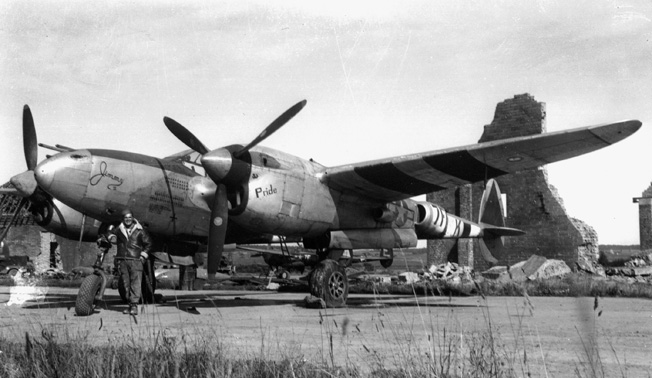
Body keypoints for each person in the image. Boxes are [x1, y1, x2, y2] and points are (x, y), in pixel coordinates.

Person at [103, 209, 152, 315]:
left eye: (130, 217)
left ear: (133, 218)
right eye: (126, 218)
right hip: (123, 260)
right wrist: (110, 236)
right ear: (123, 219)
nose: (128, 219)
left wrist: (143, 256)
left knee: (135, 283)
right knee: (126, 284)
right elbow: (109, 233)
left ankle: (134, 306)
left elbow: (148, 244)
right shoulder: (119, 229)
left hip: (135, 260)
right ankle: (130, 305)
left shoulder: (140, 230)